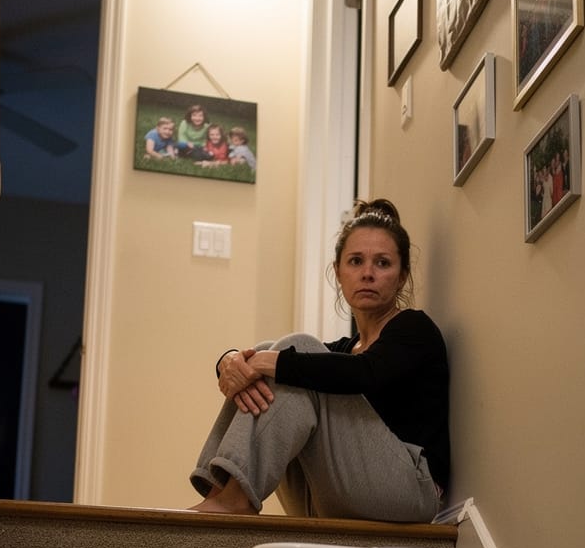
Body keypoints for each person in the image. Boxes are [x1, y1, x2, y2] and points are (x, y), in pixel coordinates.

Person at [189, 199, 449, 522]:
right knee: (279, 353)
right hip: (334, 496)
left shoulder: (414, 328)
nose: (368, 273)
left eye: (383, 263)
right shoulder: (345, 348)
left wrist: (265, 362)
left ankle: (232, 498)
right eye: (356, 261)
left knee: (296, 353)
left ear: (402, 276)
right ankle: (221, 490)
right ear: (338, 272)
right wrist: (228, 361)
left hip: (412, 491)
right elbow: (307, 366)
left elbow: (366, 373)